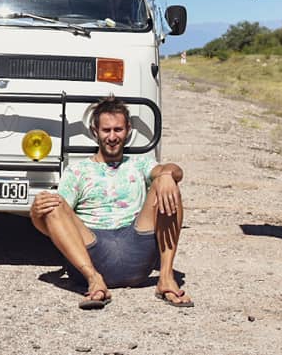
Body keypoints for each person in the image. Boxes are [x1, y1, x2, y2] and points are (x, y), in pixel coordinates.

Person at [30, 96, 194, 309]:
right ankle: (94, 280)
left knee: (167, 181)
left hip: (137, 248)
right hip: (92, 250)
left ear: (128, 131)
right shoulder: (77, 171)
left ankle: (165, 277)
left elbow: (175, 171)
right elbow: (55, 225)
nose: (112, 137)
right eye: (106, 130)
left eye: (118, 130)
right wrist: (35, 215)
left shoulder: (140, 164)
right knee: (53, 203)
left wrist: (167, 174)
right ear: (95, 131)